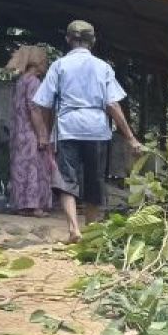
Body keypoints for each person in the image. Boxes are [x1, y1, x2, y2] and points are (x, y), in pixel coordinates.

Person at [31, 20, 141, 242]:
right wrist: (130, 137)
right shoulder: (103, 67)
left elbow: (43, 103)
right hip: (96, 130)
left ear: (68, 40)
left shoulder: (59, 66)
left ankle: (74, 228)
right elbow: (113, 105)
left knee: (66, 180)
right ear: (93, 41)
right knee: (95, 180)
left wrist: (45, 133)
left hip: (68, 128)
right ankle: (91, 230)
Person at [5, 45, 53, 217]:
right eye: (45, 61)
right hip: (30, 132)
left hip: (19, 131)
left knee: (20, 167)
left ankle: (21, 205)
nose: (46, 64)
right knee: (35, 168)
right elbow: (34, 110)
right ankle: (34, 206)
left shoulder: (21, 80)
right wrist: (42, 135)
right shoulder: (34, 82)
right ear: (38, 62)